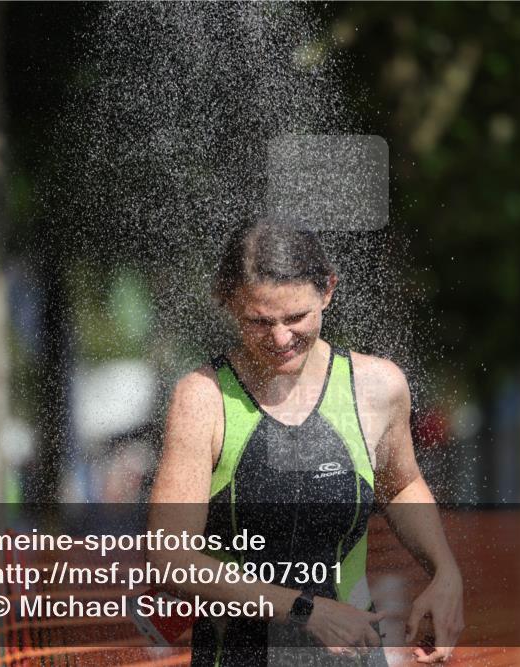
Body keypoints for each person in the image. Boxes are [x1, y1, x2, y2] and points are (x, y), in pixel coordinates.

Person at [147, 218, 464, 666]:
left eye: (296, 317)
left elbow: (401, 485)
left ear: (328, 290)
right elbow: (170, 557)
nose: (280, 338)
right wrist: (305, 611)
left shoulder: (377, 387)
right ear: (229, 302)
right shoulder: (202, 398)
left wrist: (444, 571)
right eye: (259, 321)